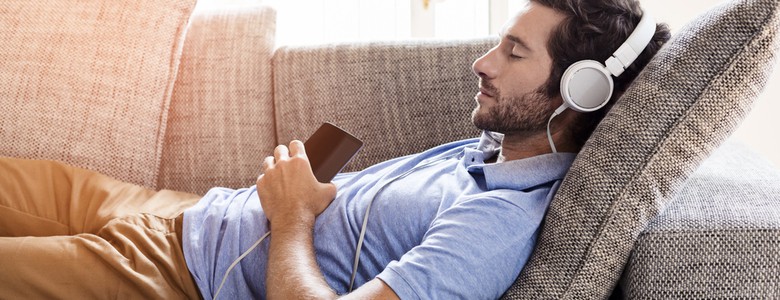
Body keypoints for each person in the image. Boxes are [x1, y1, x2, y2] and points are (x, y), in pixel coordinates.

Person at [0, 0, 670, 299]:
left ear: (578, 91)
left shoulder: (493, 229)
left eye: (515, 53)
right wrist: (301, 192)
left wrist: (292, 215)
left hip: (173, 273)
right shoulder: (492, 152)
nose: (483, 62)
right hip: (185, 209)